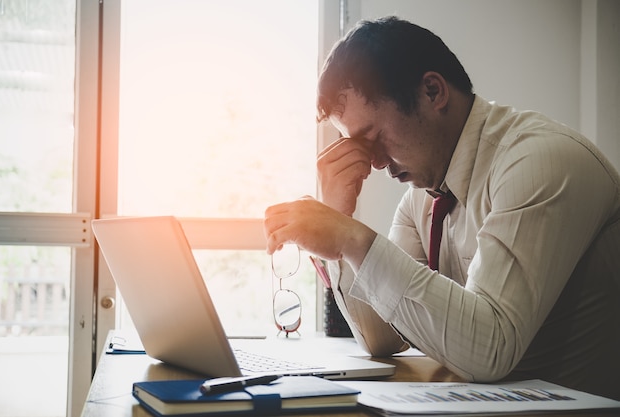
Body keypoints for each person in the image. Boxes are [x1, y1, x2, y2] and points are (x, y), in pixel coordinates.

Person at [264, 16, 620, 400]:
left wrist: (351, 238)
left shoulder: (541, 162)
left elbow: (490, 350)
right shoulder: (422, 200)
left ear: (433, 92)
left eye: (374, 137)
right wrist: (341, 228)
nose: (377, 164)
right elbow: (383, 339)